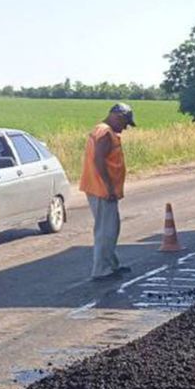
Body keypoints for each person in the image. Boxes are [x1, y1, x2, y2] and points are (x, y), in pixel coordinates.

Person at [79, 102, 135, 281]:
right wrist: (109, 187)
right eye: (125, 122)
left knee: (111, 228)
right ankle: (102, 271)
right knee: (106, 231)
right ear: (117, 116)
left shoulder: (102, 130)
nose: (125, 127)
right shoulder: (105, 133)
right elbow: (98, 160)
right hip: (102, 190)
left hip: (101, 188)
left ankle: (111, 265)